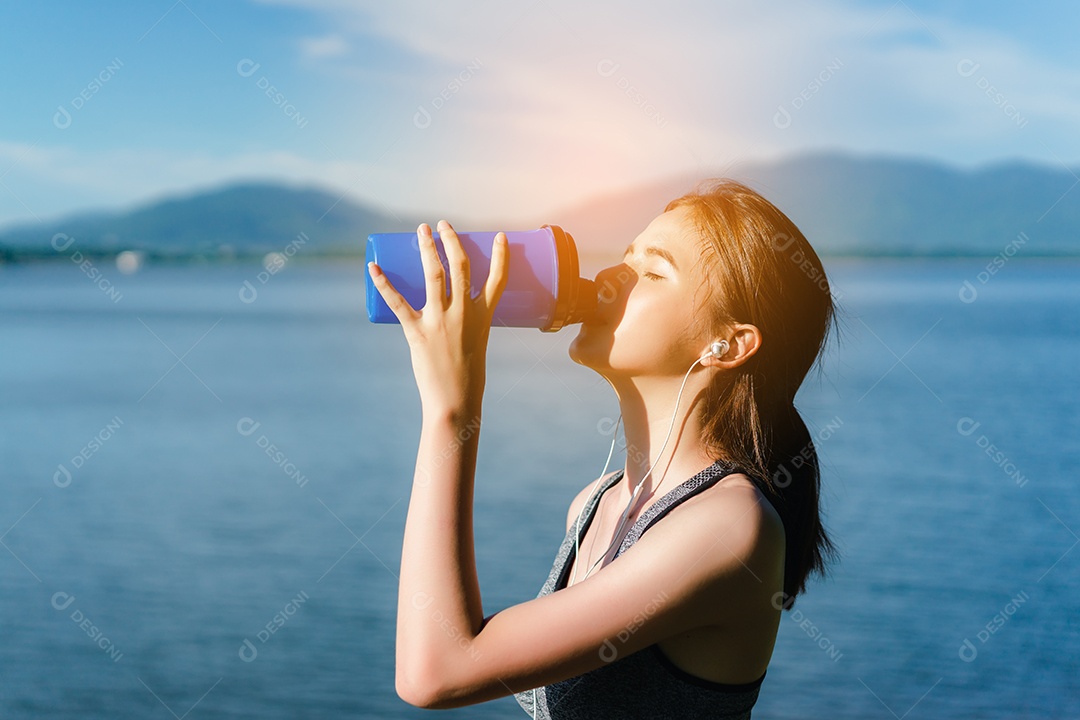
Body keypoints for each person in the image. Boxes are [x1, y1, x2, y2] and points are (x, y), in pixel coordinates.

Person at [367, 178, 838, 719]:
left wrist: (450, 412)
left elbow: (437, 672)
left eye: (653, 272)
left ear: (726, 344)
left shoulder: (728, 528)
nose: (615, 275)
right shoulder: (597, 502)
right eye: (625, 258)